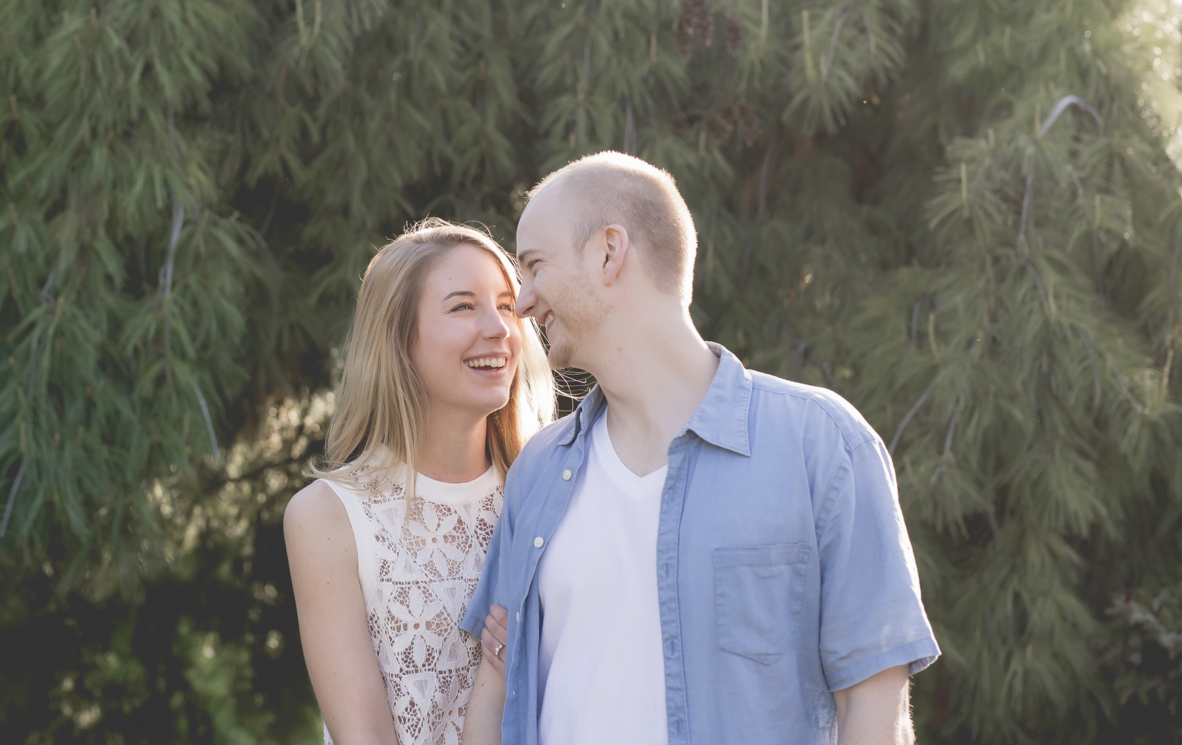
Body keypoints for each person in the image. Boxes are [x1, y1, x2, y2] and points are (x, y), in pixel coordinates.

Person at [460, 152, 940, 745]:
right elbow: (496, 690)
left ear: (609, 251)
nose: (524, 301)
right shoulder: (537, 469)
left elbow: (875, 704)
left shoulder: (822, 446)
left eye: (534, 266)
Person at [283, 219, 553, 745]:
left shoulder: (548, 491)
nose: (500, 329)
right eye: (462, 306)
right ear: (399, 339)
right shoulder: (328, 517)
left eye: (505, 304)